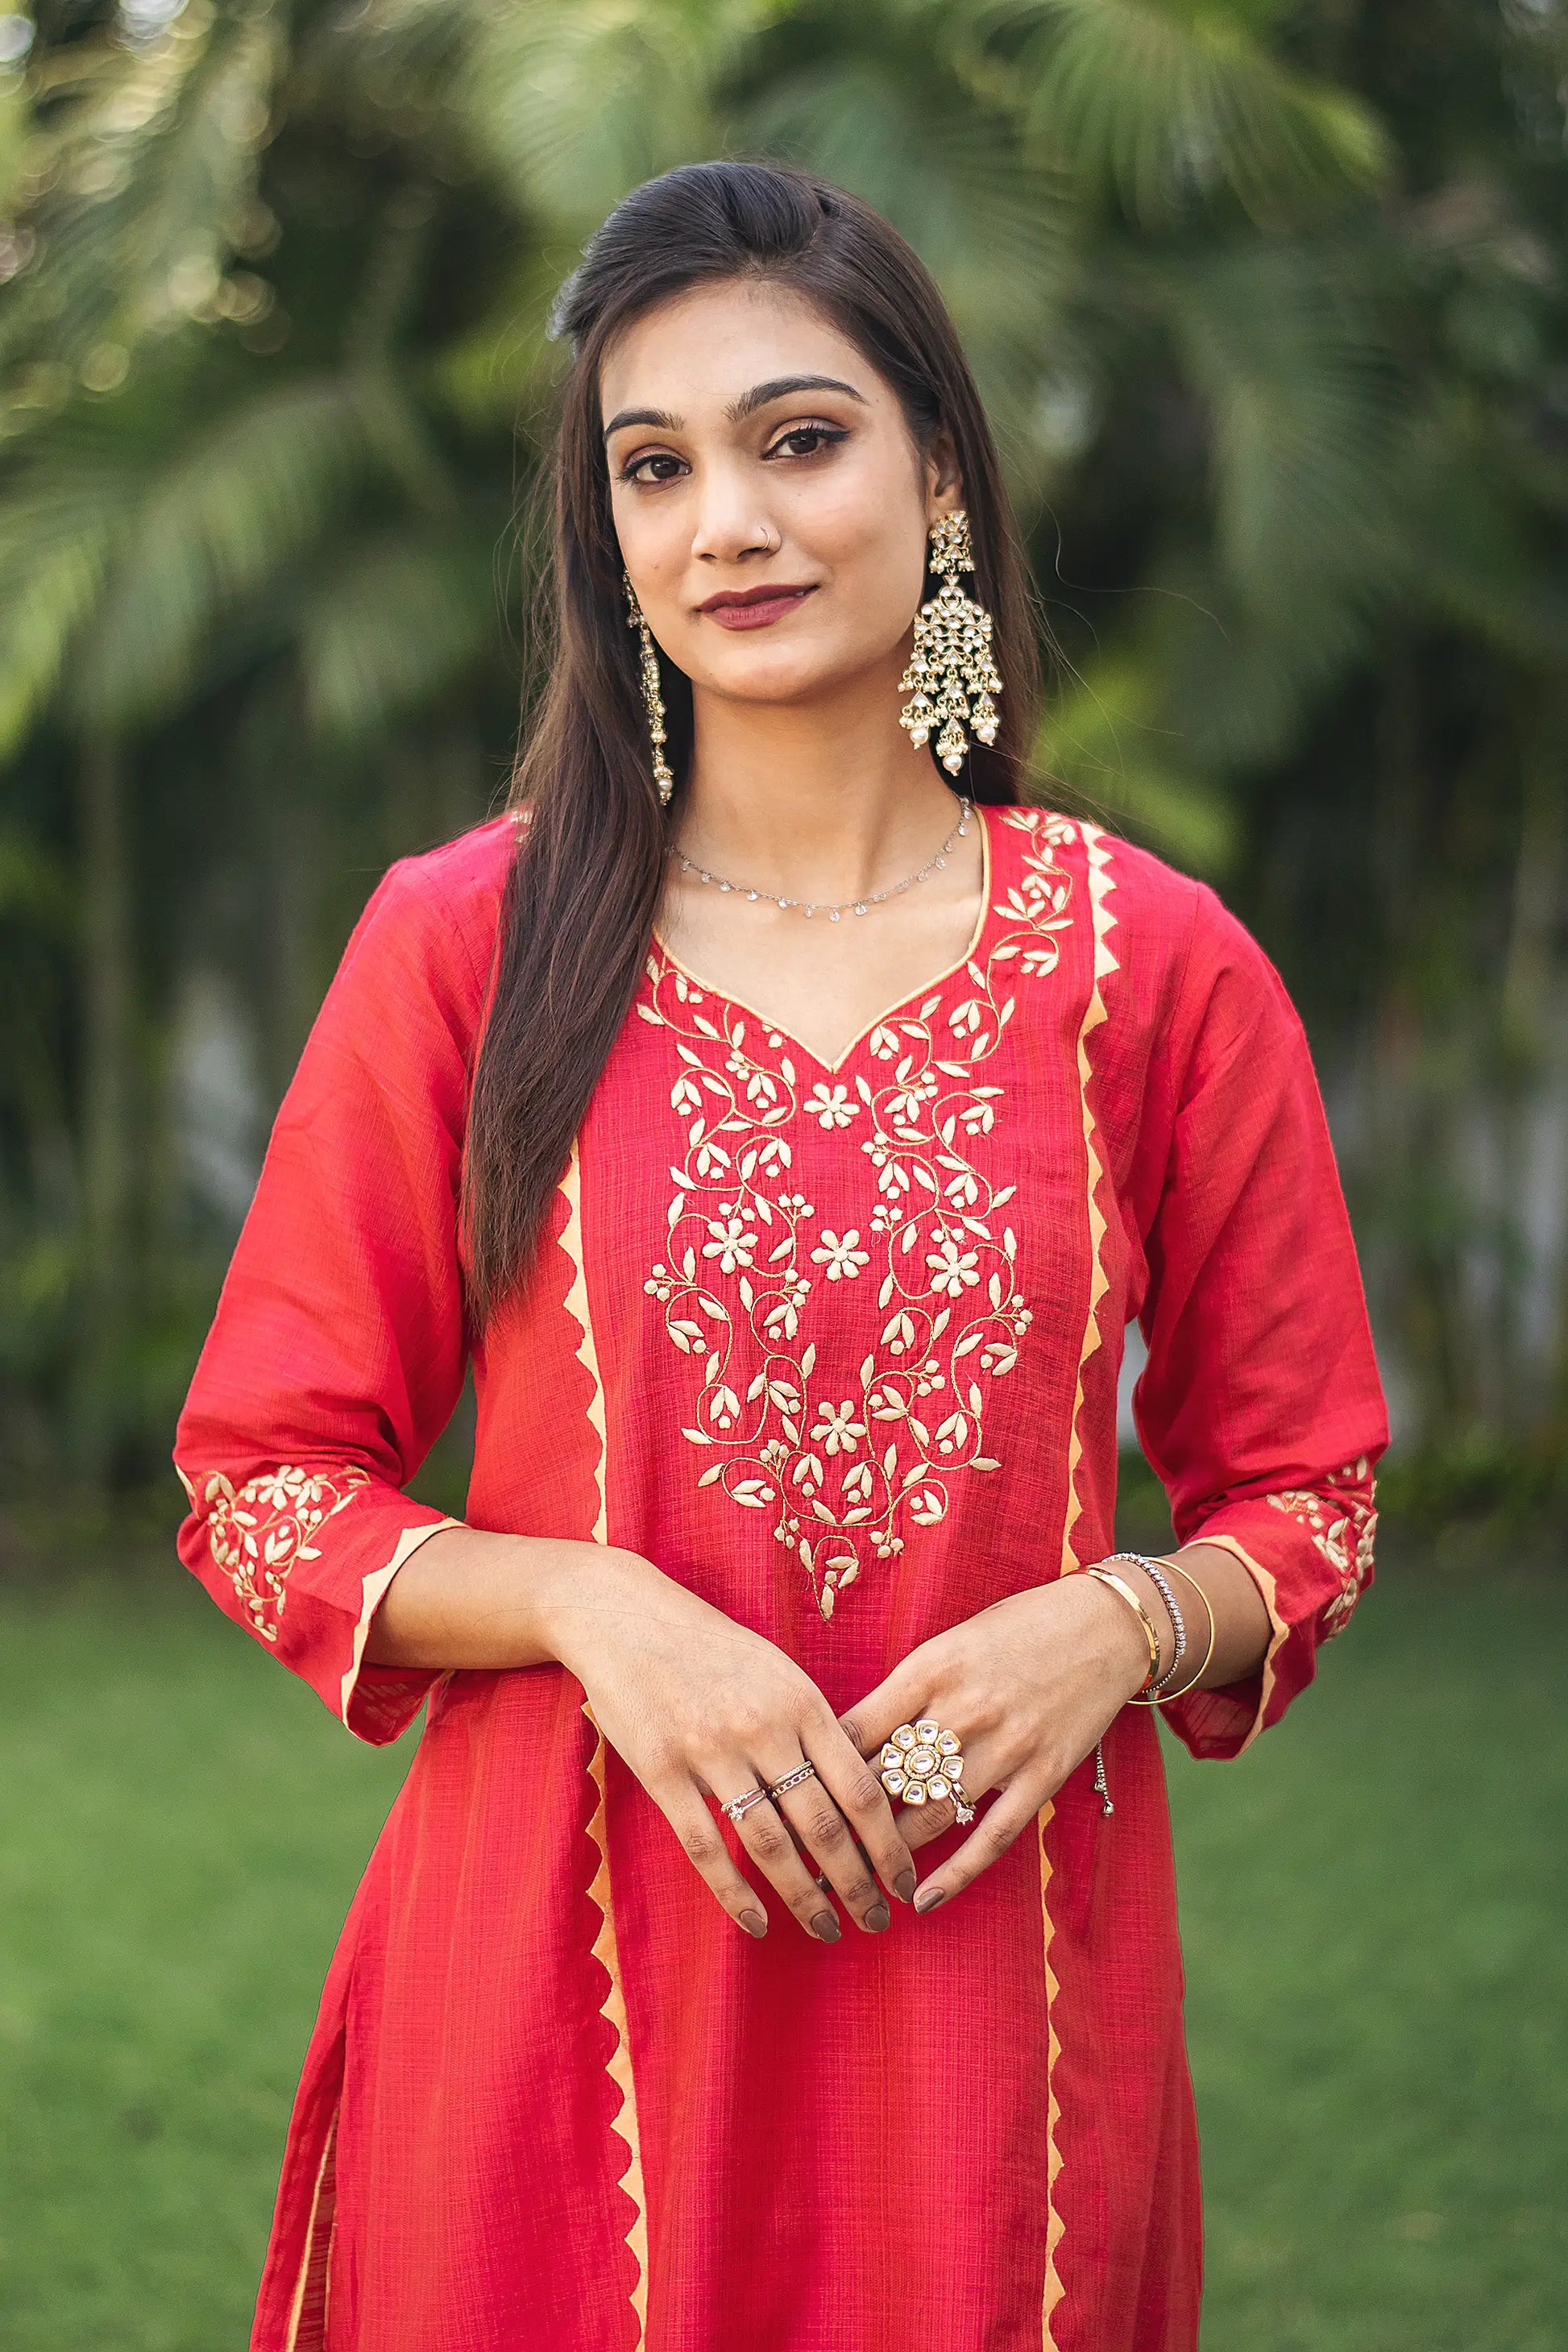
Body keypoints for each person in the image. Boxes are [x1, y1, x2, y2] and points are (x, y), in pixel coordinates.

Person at [174, 160, 1388, 2352]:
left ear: (936, 470)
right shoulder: (469, 942)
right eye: (656, 468)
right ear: (609, 538)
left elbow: (1306, 1500)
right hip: (548, 2014)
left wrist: (1119, 1625)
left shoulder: (1150, 968)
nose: (723, 518)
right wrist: (583, 1598)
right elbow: (262, 1484)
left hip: (991, 2011)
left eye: (796, 437)